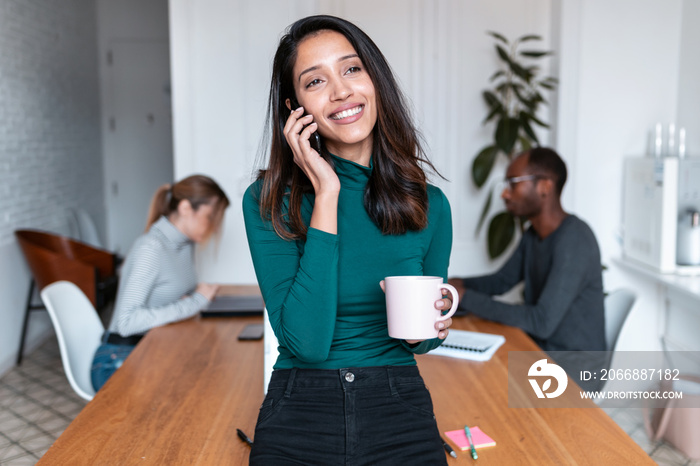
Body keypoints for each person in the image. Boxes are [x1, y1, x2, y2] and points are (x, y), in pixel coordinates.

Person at [243, 15, 454, 465]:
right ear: (294, 107)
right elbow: (307, 344)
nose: (340, 91)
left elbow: (423, 339)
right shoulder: (267, 202)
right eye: (315, 81)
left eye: (352, 69)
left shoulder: (429, 205)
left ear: (375, 80)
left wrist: (429, 333)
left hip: (397, 398)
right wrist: (327, 194)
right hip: (301, 403)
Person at [448, 147, 605, 355]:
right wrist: (456, 284)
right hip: (540, 349)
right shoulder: (533, 234)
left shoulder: (576, 239)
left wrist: (464, 297)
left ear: (545, 187)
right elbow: (502, 281)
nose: (505, 193)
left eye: (513, 183)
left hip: (575, 364)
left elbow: (541, 322)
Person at [90, 175, 229, 391]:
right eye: (210, 216)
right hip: (119, 359)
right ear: (185, 208)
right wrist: (196, 301)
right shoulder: (152, 248)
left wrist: (189, 299)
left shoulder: (184, 243)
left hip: (152, 349)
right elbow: (127, 322)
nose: (213, 226)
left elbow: (170, 295)